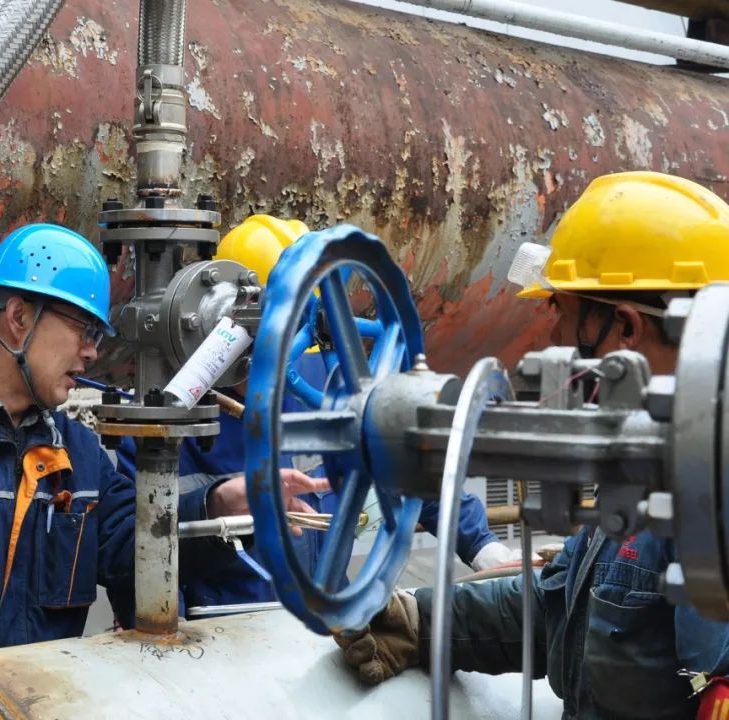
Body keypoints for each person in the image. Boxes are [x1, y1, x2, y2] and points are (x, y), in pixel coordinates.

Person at [0, 223, 327, 695]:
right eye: (84, 330)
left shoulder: (78, 453)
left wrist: (218, 505)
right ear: (19, 317)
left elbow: (133, 546)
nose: (92, 352)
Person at [335, 171, 729, 719]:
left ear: (625, 327)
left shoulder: (707, 493)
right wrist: (422, 623)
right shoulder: (645, 456)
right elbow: (559, 610)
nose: (551, 338)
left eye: (561, 313)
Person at [118, 214, 510, 615]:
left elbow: (410, 464)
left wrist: (482, 547)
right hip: (225, 629)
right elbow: (136, 556)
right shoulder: (163, 421)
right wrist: (180, 641)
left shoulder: (327, 386)